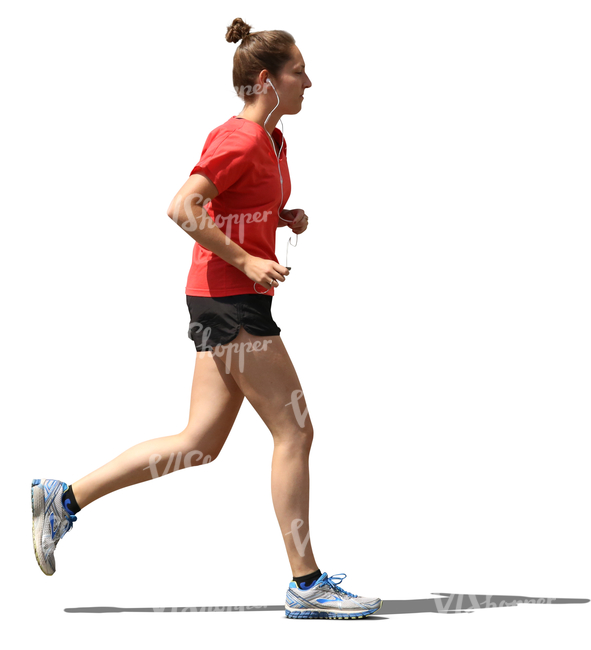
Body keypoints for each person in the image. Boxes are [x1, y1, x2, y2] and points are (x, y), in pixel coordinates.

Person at [31, 17, 382, 620]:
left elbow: (235, 206)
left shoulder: (272, 142)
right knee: (295, 432)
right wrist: (248, 259)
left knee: (197, 445)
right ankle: (307, 582)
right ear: (268, 81)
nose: (310, 83)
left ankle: (64, 500)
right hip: (230, 304)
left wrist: (279, 219)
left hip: (225, 302)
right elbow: (182, 206)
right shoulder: (239, 139)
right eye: (300, 72)